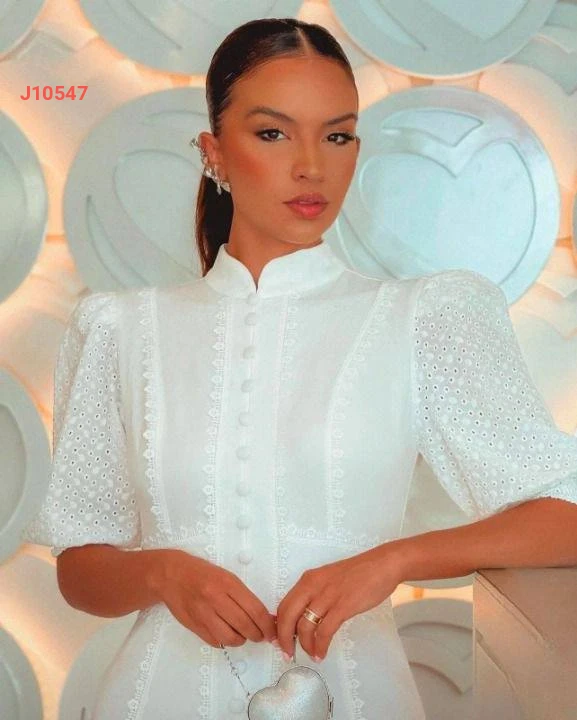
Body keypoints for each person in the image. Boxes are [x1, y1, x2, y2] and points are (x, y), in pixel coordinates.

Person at [22, 17, 577, 720]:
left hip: (358, 694)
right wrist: (161, 572)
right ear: (214, 153)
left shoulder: (422, 319)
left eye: (336, 136)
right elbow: (80, 572)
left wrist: (394, 560)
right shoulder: (119, 329)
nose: (312, 165)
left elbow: (564, 514)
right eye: (273, 133)